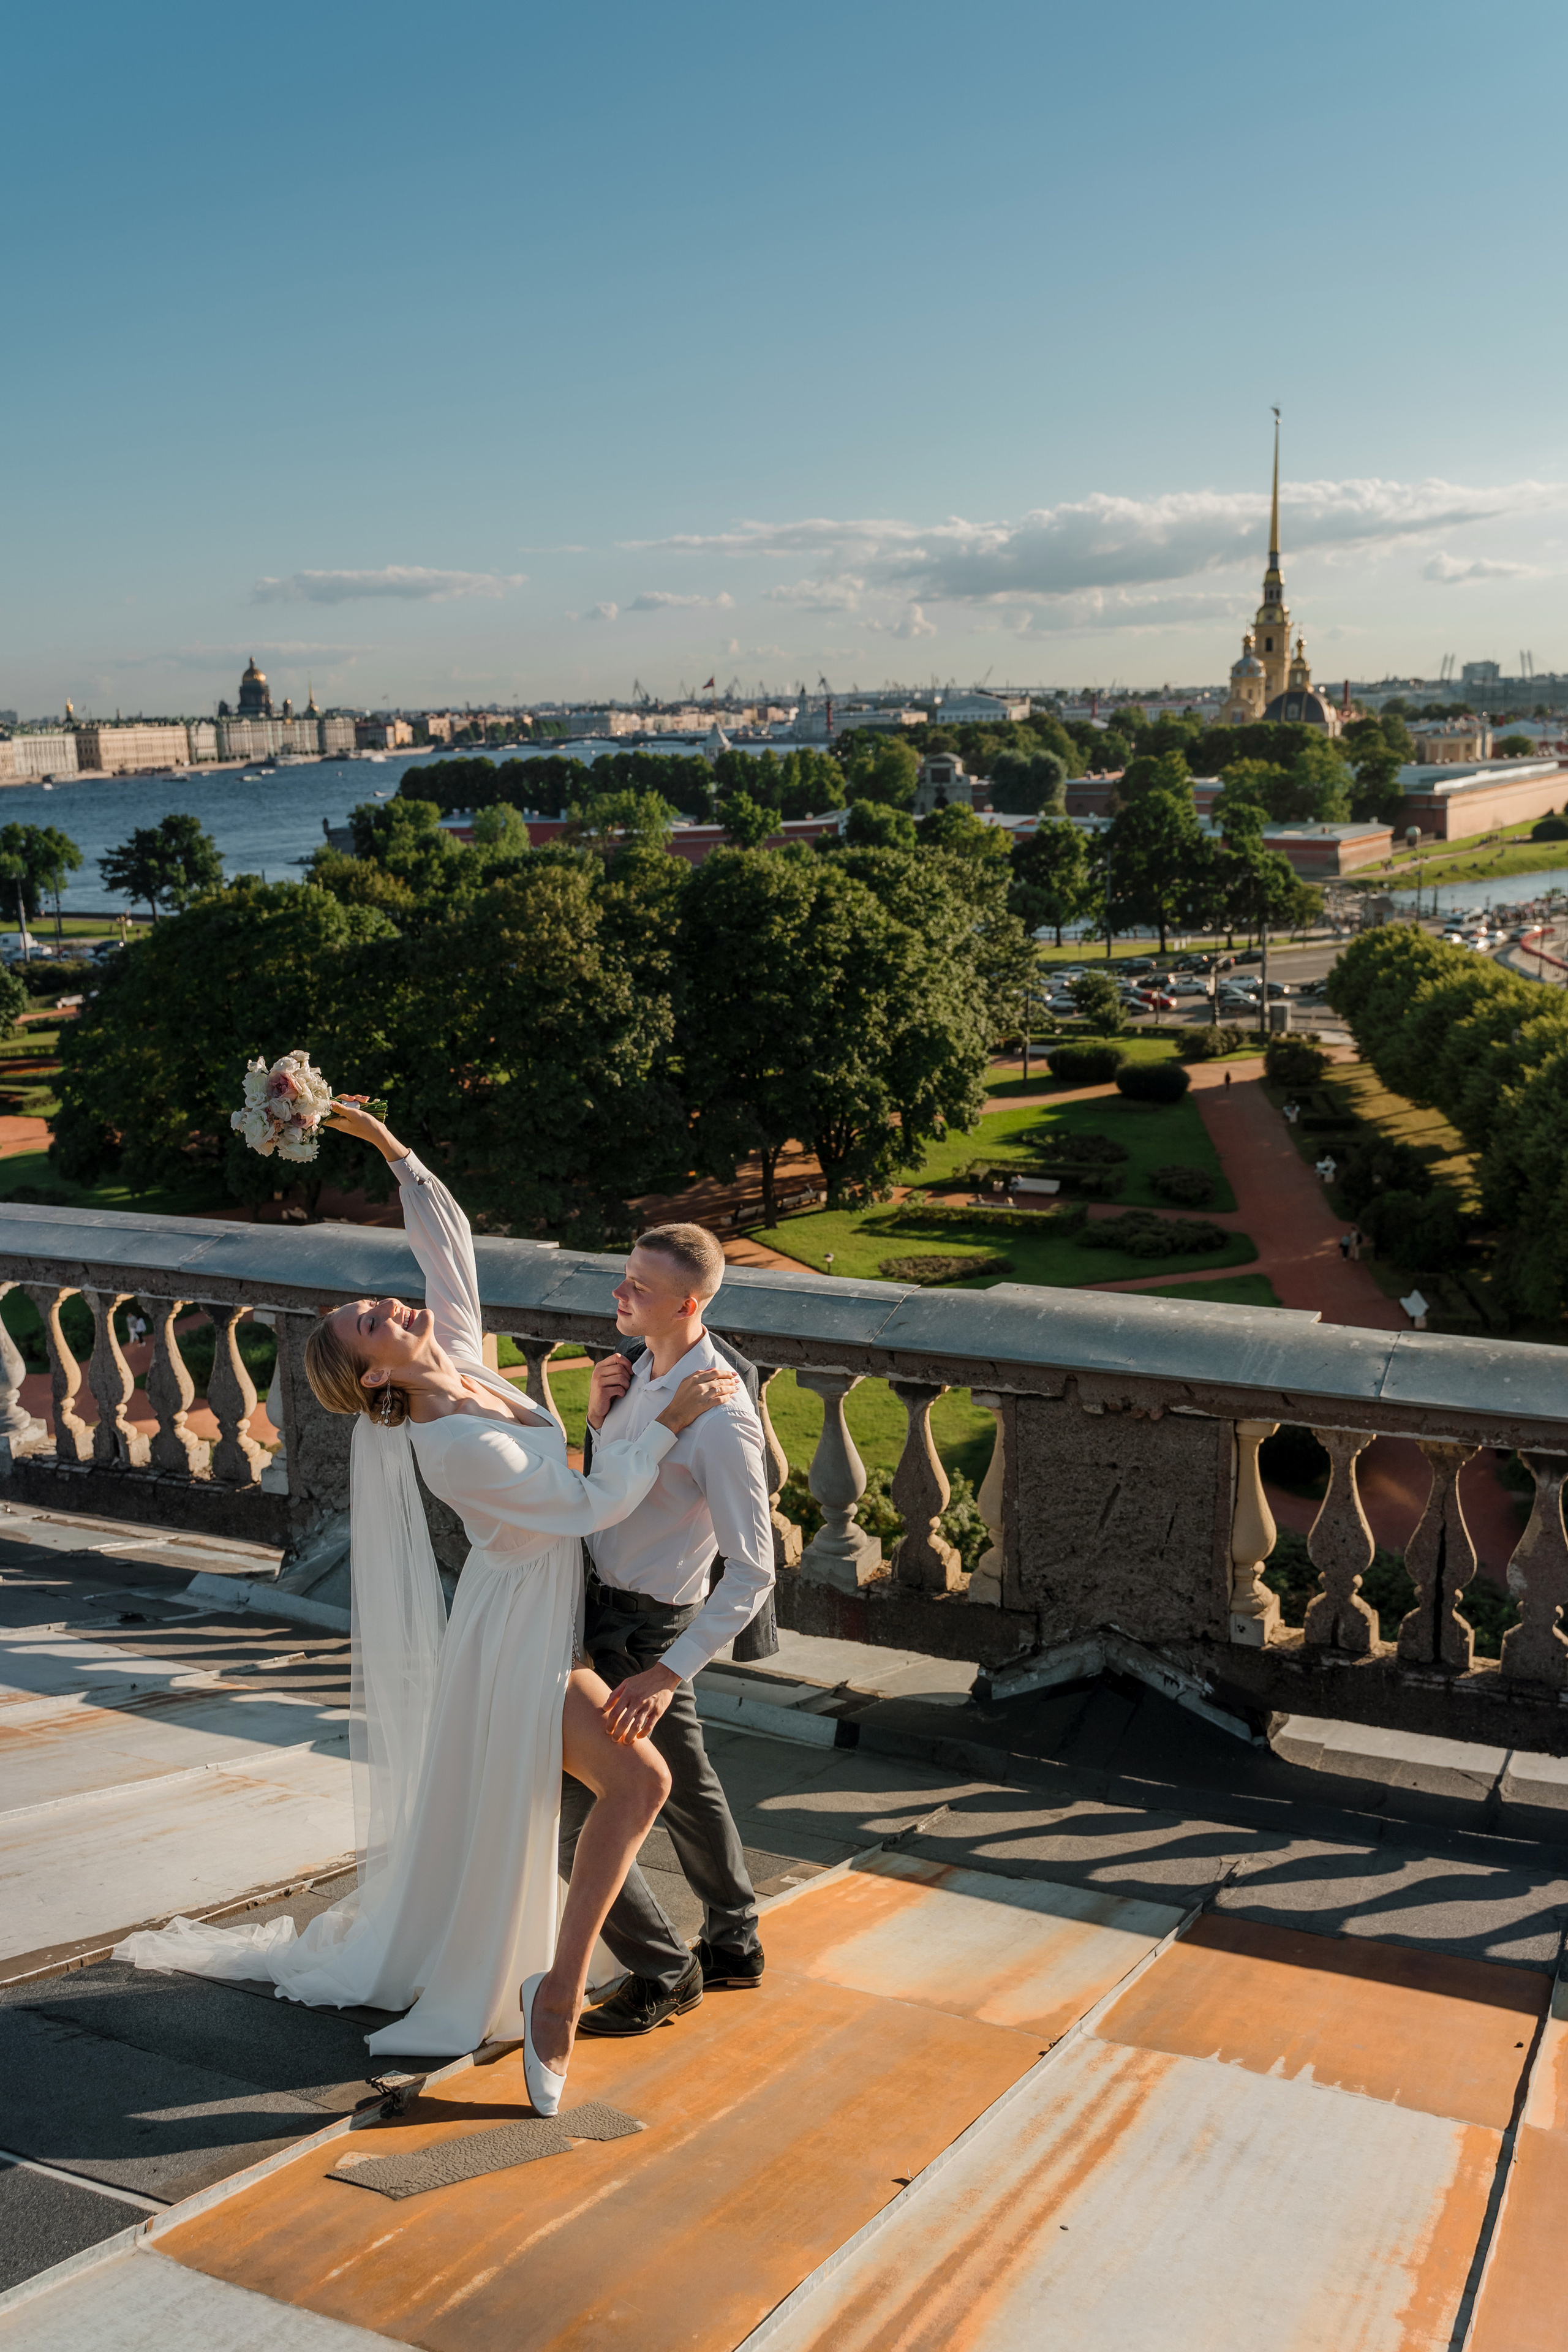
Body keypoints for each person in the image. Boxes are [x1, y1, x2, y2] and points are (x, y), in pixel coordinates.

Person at [115, 1099, 737, 2118]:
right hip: (516, 1634)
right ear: (371, 1373)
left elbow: (449, 1255)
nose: (396, 1310)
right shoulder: (443, 1439)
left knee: (633, 1787)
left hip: (541, 1617)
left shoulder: (453, 1363)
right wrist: (661, 1420)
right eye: (375, 1323)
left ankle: (560, 1990)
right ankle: (559, 1998)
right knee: (638, 1784)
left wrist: (387, 1147)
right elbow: (588, 1504)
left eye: (386, 1307)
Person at [563, 1223, 775, 2039]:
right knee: (685, 1790)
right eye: (621, 1280)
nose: (618, 1297)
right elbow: (614, 1497)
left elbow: (755, 1572)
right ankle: (734, 1941)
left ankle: (665, 1971)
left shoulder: (721, 1417)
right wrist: (596, 1419)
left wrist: (669, 1673)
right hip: (598, 1614)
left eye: (637, 1289)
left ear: (689, 1303)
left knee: (592, 1811)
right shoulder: (631, 1374)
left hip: (649, 1636)